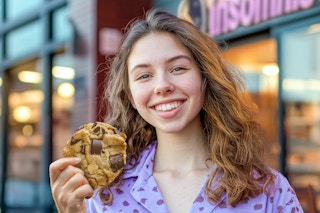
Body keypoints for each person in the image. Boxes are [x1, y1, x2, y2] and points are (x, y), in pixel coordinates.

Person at [49, 9, 303, 213]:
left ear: (205, 79)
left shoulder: (270, 191)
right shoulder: (104, 195)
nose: (162, 86)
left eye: (178, 68)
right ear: (131, 98)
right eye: (144, 75)